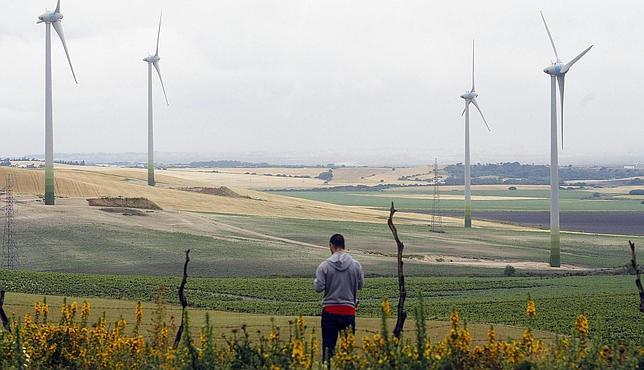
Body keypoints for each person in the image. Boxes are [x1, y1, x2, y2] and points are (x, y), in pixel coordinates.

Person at [314, 233, 364, 361]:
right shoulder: (356, 265)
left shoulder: (324, 266)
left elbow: (318, 288)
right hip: (348, 311)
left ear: (331, 246)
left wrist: (316, 281)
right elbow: (360, 286)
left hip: (329, 311)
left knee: (328, 350)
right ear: (344, 246)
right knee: (347, 351)